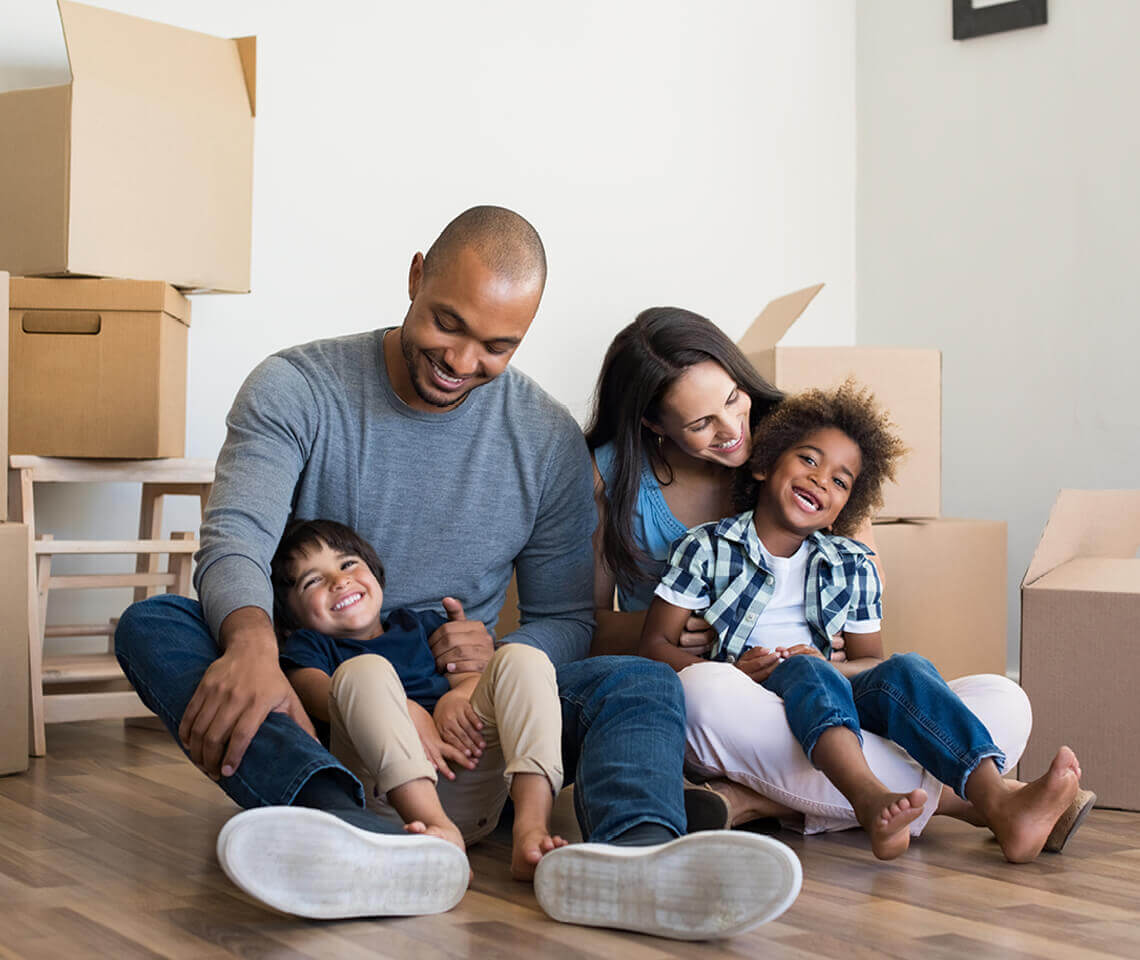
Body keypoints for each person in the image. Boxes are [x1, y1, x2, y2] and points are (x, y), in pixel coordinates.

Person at [115, 207, 802, 938]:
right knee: (157, 625)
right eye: (449, 324)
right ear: (416, 276)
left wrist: (490, 666)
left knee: (639, 680)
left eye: (497, 346)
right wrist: (253, 646)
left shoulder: (543, 440)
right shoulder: (296, 387)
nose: (463, 361)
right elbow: (237, 539)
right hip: (319, 690)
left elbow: (566, 617)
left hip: (473, 721)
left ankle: (636, 854)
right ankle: (337, 822)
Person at [584, 307, 1051, 839]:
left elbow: (865, 641)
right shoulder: (654, 507)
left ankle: (754, 801)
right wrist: (705, 636)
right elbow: (597, 628)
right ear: (653, 424)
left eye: (734, 399)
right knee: (705, 691)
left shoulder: (808, 442)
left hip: (830, 689)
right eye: (700, 423)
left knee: (1004, 701)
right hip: (726, 692)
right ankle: (968, 801)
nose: (735, 429)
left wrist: (841, 659)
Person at [641, 382, 1093, 862]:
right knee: (705, 689)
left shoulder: (853, 563)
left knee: (984, 693)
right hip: (753, 707)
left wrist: (830, 667)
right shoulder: (706, 547)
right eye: (809, 460)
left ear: (845, 509)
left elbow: (870, 664)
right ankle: (892, 797)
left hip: (839, 707)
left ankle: (990, 798)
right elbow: (654, 646)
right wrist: (733, 671)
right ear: (763, 463)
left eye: (840, 481)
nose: (820, 480)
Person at [271, 518, 567, 880]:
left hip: (470, 774)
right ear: (290, 619)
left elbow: (472, 678)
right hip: (392, 800)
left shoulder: (419, 625)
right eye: (313, 580)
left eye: (347, 564)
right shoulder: (309, 647)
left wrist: (456, 696)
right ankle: (437, 830)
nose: (339, 580)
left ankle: (531, 829)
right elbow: (318, 696)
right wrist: (406, 710)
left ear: (376, 575)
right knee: (364, 671)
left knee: (522, 658)